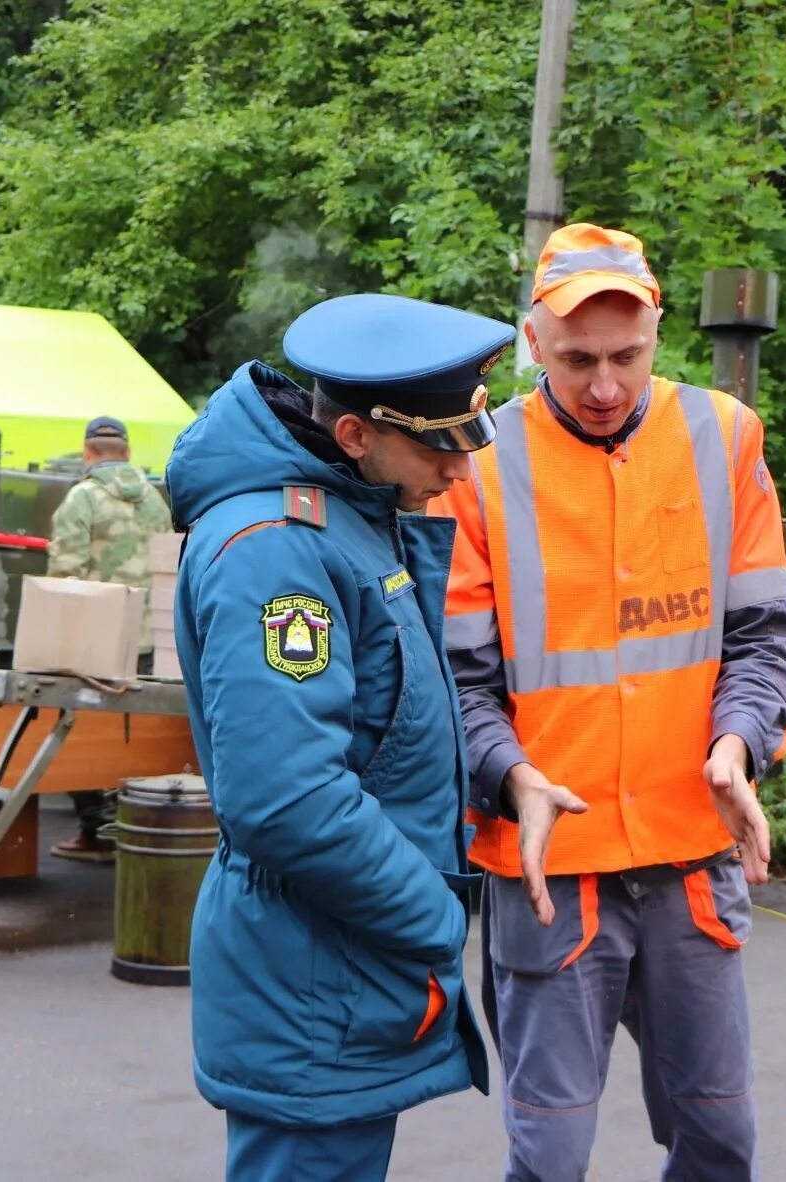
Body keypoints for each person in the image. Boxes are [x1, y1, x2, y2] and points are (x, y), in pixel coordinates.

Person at [433, 223, 786, 1181]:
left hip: (691, 859)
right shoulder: (475, 467)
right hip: (554, 871)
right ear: (531, 342)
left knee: (722, 1143)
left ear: (658, 330)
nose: (604, 386)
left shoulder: (723, 436)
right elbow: (459, 682)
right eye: (577, 360)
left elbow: (767, 637)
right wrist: (511, 777)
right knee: (550, 1158)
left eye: (627, 357)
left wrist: (739, 743)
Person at [167, 294, 508, 1181]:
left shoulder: (344, 521)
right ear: (355, 435)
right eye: (440, 444)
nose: (459, 473)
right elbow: (287, 799)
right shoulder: (280, 548)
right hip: (316, 980)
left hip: (339, 970)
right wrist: (433, 916)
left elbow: (390, 732)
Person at [45, 415, 174, 861]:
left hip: (95, 638)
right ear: (127, 452)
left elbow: (64, 576)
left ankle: (96, 833)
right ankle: (135, 827)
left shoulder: (82, 499)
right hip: (151, 639)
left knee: (83, 734)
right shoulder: (158, 502)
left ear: (87, 453)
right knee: (134, 736)